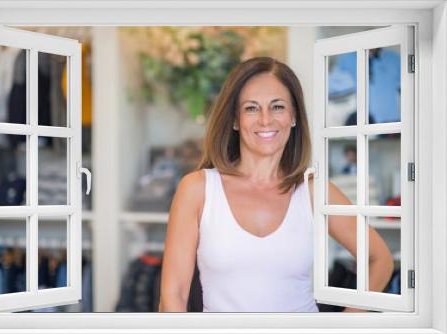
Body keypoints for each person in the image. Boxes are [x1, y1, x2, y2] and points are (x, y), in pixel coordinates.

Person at [158, 57, 394, 312]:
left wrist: (344, 326)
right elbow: (174, 296)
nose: (265, 119)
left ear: (293, 116)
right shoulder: (198, 189)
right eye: (251, 108)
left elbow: (379, 259)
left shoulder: (314, 191)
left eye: (278, 107)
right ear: (235, 120)